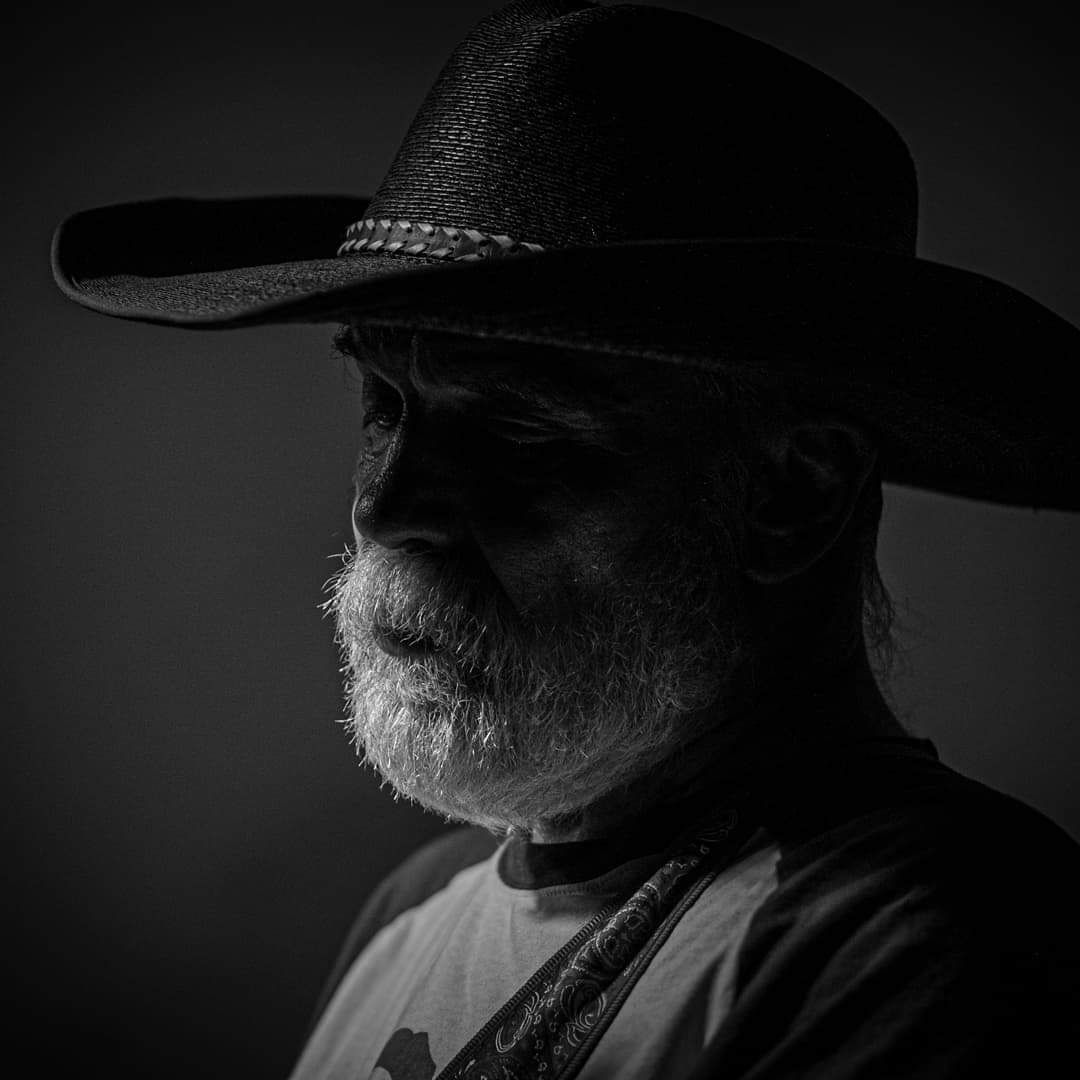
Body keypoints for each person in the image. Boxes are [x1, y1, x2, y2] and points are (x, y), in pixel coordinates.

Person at [51, 1, 1080, 1077]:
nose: (387, 510)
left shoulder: (933, 940)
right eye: (385, 404)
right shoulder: (413, 913)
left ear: (794, 490)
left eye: (516, 429)